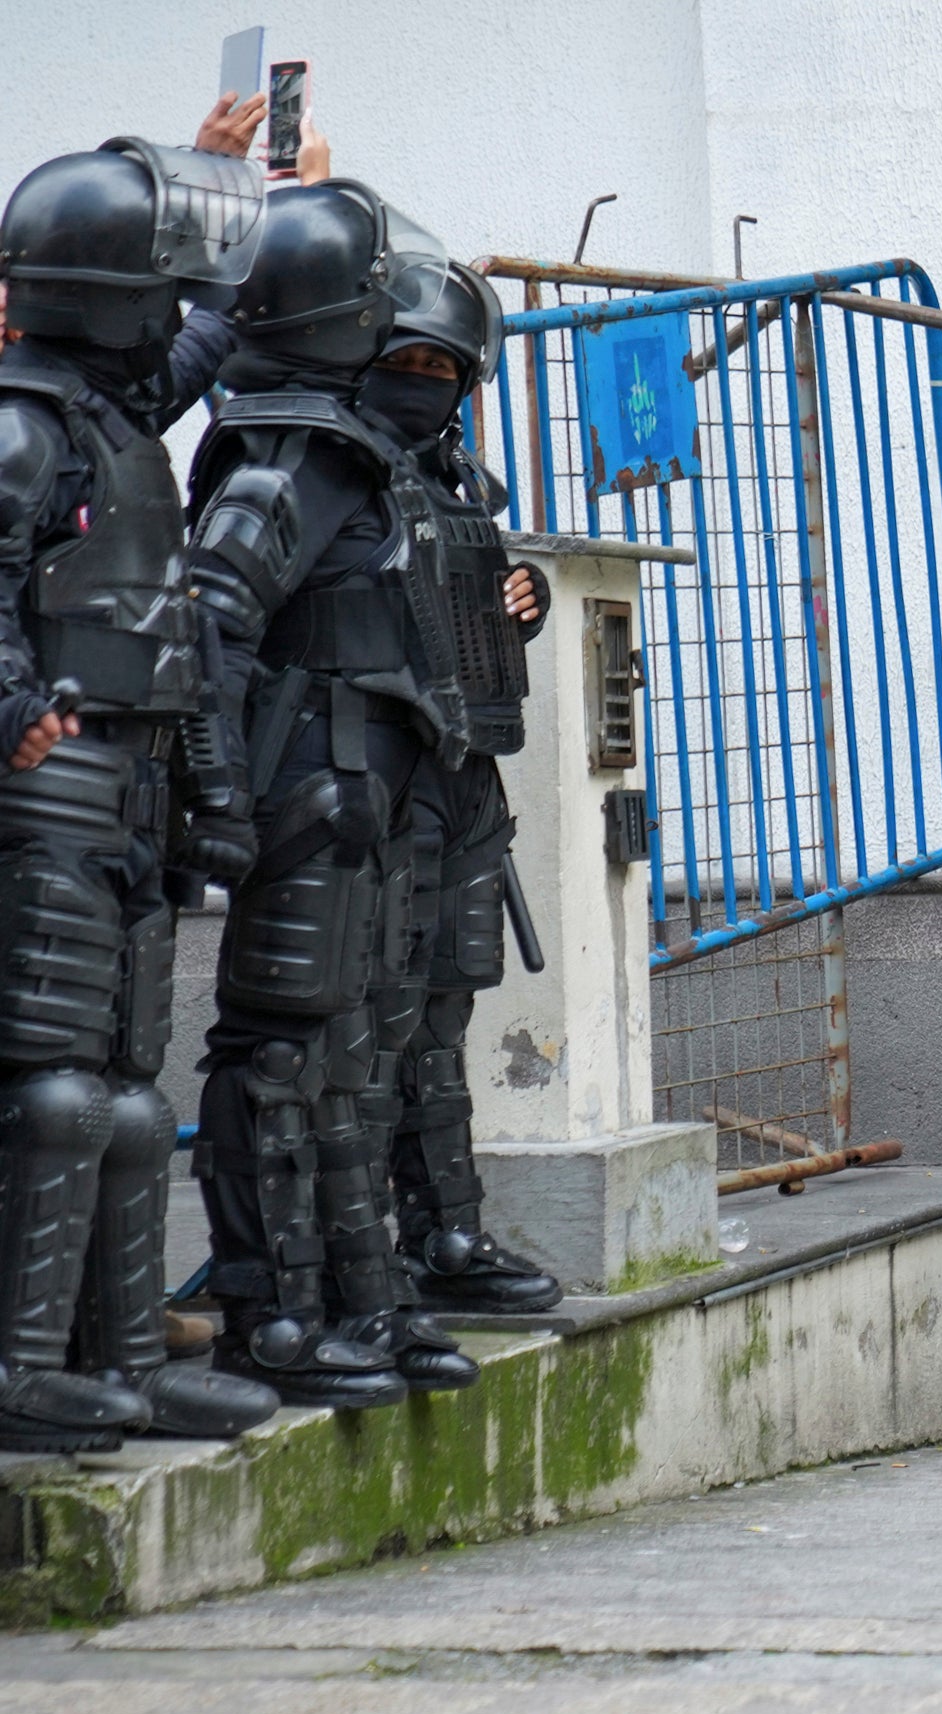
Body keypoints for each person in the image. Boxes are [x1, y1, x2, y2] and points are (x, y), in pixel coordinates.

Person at [187, 172, 493, 1409]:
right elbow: (214, 619)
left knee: (359, 1056)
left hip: (381, 787)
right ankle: (273, 1312)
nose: (424, 374)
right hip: (309, 788)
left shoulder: (374, 463)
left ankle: (369, 1300)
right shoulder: (294, 454)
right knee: (280, 1056)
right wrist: (214, 789)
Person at [0, 133, 278, 1447]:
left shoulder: (106, 419)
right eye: (152, 285)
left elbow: (207, 328)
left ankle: (121, 1356)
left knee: (128, 1093)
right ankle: (21, 1366)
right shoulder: (23, 424)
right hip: (53, 783)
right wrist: (15, 715)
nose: (172, 308)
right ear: (103, 291)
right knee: (55, 1092)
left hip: (132, 782)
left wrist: (264, 184)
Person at [370, 261, 559, 1320]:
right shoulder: (328, 471)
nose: (425, 381)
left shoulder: (460, 481)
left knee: (440, 1020)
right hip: (375, 780)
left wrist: (516, 604)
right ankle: (362, 1258)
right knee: (372, 1023)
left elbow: (478, 611)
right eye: (407, 361)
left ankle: (448, 1233)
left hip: (463, 781)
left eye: (443, 366)